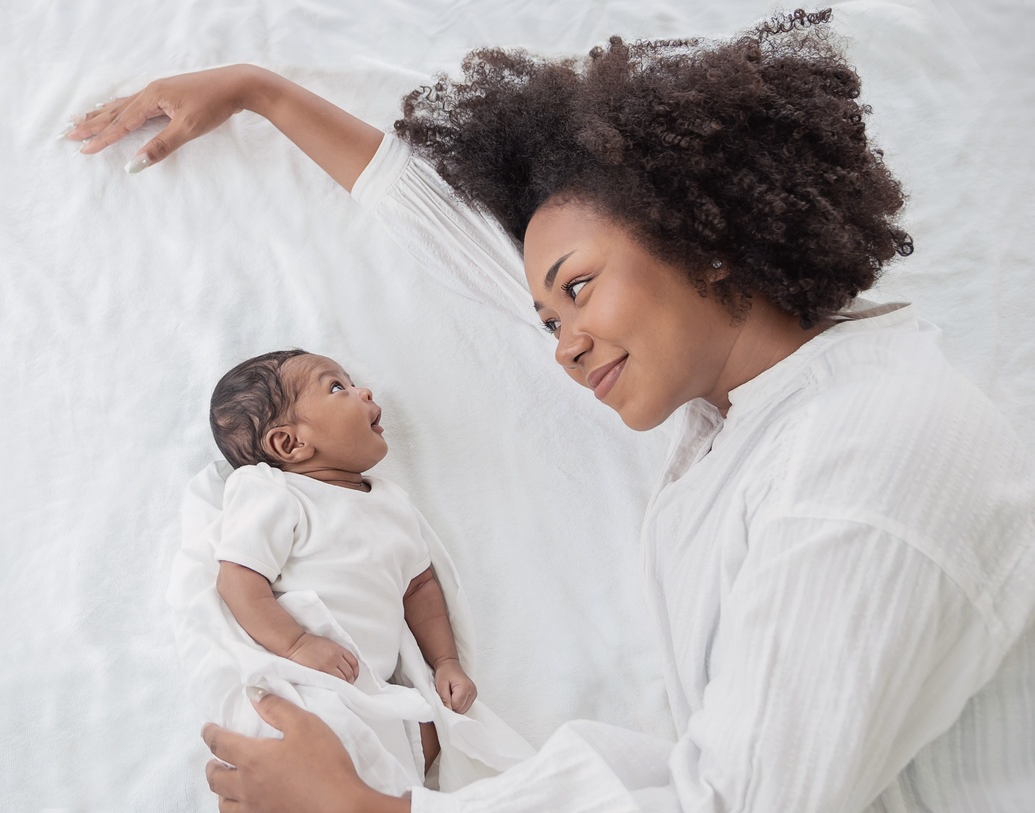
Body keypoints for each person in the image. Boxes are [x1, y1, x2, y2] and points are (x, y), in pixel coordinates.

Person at [69, 10, 1035, 813]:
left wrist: (372, 809)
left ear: (707, 239)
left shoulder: (860, 465)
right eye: (547, 317)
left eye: (576, 290)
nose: (564, 343)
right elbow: (469, 245)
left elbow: (740, 801)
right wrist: (258, 91)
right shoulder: (753, 401)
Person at [202, 349, 486, 792]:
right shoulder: (276, 492)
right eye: (337, 387)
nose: (364, 391)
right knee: (321, 752)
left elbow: (420, 588)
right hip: (312, 681)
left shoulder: (391, 501)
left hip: (376, 685)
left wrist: (445, 662)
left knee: (430, 731)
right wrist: (295, 643)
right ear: (290, 444)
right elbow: (238, 578)